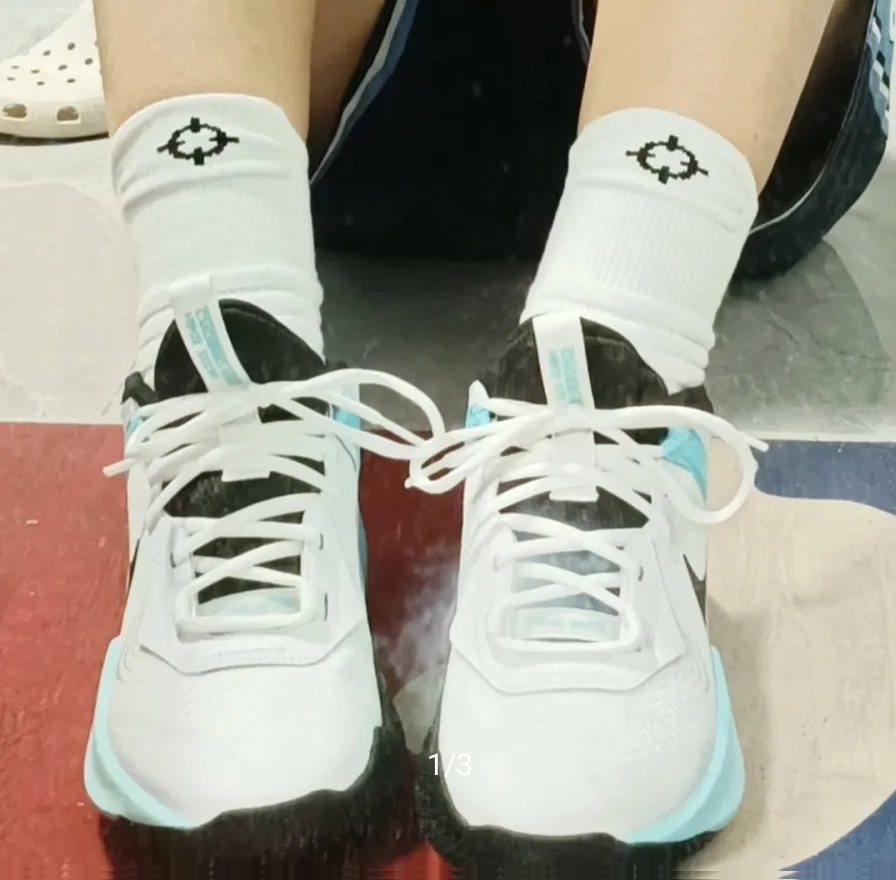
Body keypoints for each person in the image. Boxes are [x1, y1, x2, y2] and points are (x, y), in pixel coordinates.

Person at [78, 0, 892, 875]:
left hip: (735, 110)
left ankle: (621, 363)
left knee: (638, 290)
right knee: (225, 262)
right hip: (321, 94)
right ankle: (229, 335)